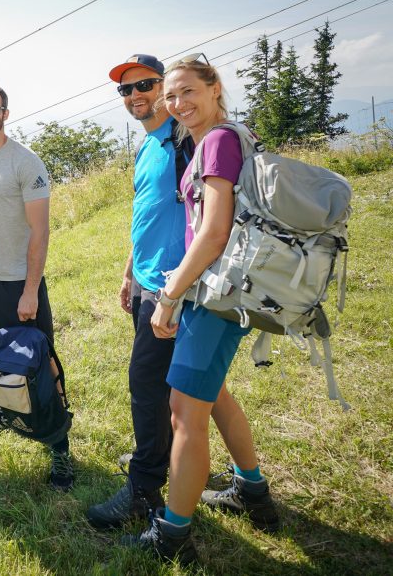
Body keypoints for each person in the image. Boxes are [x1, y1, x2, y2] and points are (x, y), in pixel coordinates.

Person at [123, 54, 279, 564]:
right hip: (224, 290)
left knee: (185, 415)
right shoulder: (230, 137)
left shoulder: (216, 142)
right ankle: (252, 491)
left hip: (214, 295)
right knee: (214, 396)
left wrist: (169, 297)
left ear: (214, 88)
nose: (178, 103)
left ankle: (172, 535)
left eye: (187, 90)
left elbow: (212, 232)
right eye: (172, 96)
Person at [0, 83, 73, 491]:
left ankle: (61, 449)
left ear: (6, 112)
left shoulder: (26, 162)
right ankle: (4, 414)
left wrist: (29, 290)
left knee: (42, 360)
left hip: (18, 282)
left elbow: (40, 232)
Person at [87, 55, 191, 528]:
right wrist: (130, 272)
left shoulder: (188, 140)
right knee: (185, 389)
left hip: (176, 288)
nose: (135, 96)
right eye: (126, 90)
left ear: (165, 85)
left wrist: (175, 289)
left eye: (144, 84)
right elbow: (145, 215)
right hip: (148, 281)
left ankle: (144, 488)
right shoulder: (147, 145)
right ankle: (244, 482)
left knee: (146, 384)